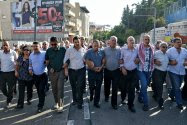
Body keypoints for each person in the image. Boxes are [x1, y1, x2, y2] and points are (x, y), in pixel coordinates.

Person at [64, 36, 86, 109]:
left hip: (81, 71)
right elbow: (66, 60)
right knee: (73, 86)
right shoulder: (69, 50)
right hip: (72, 71)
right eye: (75, 42)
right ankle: (75, 100)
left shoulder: (84, 50)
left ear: (80, 42)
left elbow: (86, 60)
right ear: (73, 42)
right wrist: (66, 70)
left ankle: (80, 102)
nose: (77, 43)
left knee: (79, 86)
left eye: (78, 42)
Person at [45, 37, 66, 113]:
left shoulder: (63, 50)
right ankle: (56, 103)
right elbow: (47, 62)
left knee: (60, 88)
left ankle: (60, 106)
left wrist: (66, 65)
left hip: (61, 71)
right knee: (54, 89)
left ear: (58, 42)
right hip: (52, 73)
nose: (53, 45)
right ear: (50, 43)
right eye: (52, 44)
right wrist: (49, 67)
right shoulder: (48, 51)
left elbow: (68, 58)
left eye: (55, 44)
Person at [167, 37, 187, 110]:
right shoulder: (169, 51)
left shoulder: (185, 51)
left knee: (177, 86)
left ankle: (171, 95)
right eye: (178, 42)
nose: (179, 43)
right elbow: (165, 61)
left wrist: (186, 62)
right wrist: (170, 62)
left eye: (180, 42)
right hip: (173, 71)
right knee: (177, 88)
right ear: (174, 43)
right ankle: (179, 103)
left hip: (182, 72)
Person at [120, 36, 139, 113]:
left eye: (133, 40)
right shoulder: (123, 49)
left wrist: (138, 60)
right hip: (125, 71)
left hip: (134, 71)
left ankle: (131, 105)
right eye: (130, 40)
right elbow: (120, 59)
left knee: (132, 89)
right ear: (127, 42)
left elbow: (139, 58)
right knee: (123, 88)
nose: (132, 42)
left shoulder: (136, 50)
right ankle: (123, 98)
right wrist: (122, 68)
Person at [85, 40, 105, 108]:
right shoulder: (89, 52)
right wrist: (93, 68)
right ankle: (91, 93)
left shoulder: (102, 52)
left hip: (99, 72)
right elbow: (86, 61)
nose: (96, 47)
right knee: (91, 86)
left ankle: (96, 102)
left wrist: (101, 67)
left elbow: (104, 61)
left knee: (98, 88)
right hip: (91, 72)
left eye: (97, 45)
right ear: (92, 45)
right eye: (94, 46)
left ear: (99, 45)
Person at [137, 34, 154, 111]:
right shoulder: (138, 47)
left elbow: (154, 58)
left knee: (144, 86)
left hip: (149, 70)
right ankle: (146, 103)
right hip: (141, 70)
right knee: (144, 85)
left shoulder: (152, 48)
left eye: (148, 39)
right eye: (145, 39)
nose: (147, 41)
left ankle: (140, 96)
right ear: (143, 40)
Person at [29, 42, 47, 113]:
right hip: (35, 75)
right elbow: (30, 64)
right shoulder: (31, 55)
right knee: (39, 91)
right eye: (34, 46)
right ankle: (41, 99)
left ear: (40, 46)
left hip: (43, 74)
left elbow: (48, 61)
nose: (35, 48)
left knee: (41, 90)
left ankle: (40, 106)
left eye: (36, 46)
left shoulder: (44, 53)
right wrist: (30, 69)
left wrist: (46, 64)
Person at [103, 36, 121, 110]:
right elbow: (102, 58)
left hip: (116, 71)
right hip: (107, 70)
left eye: (115, 41)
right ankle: (107, 96)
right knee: (107, 85)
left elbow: (122, 58)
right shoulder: (105, 50)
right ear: (109, 41)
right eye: (112, 40)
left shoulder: (119, 50)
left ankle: (114, 103)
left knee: (115, 88)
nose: (114, 42)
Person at [0, 41, 18, 108]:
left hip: (11, 73)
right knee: (2, 87)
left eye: (6, 45)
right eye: (3, 45)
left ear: (9, 46)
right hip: (2, 73)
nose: (5, 46)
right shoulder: (0, 53)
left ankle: (8, 101)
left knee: (11, 88)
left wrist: (16, 71)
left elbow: (17, 62)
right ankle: (9, 96)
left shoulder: (13, 52)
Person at [152, 42, 169, 109]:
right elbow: (151, 60)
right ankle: (160, 103)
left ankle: (155, 95)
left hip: (164, 72)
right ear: (160, 47)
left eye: (166, 47)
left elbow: (169, 61)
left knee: (158, 86)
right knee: (160, 87)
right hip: (157, 72)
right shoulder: (156, 53)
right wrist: (155, 61)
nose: (164, 48)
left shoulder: (168, 54)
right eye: (163, 47)